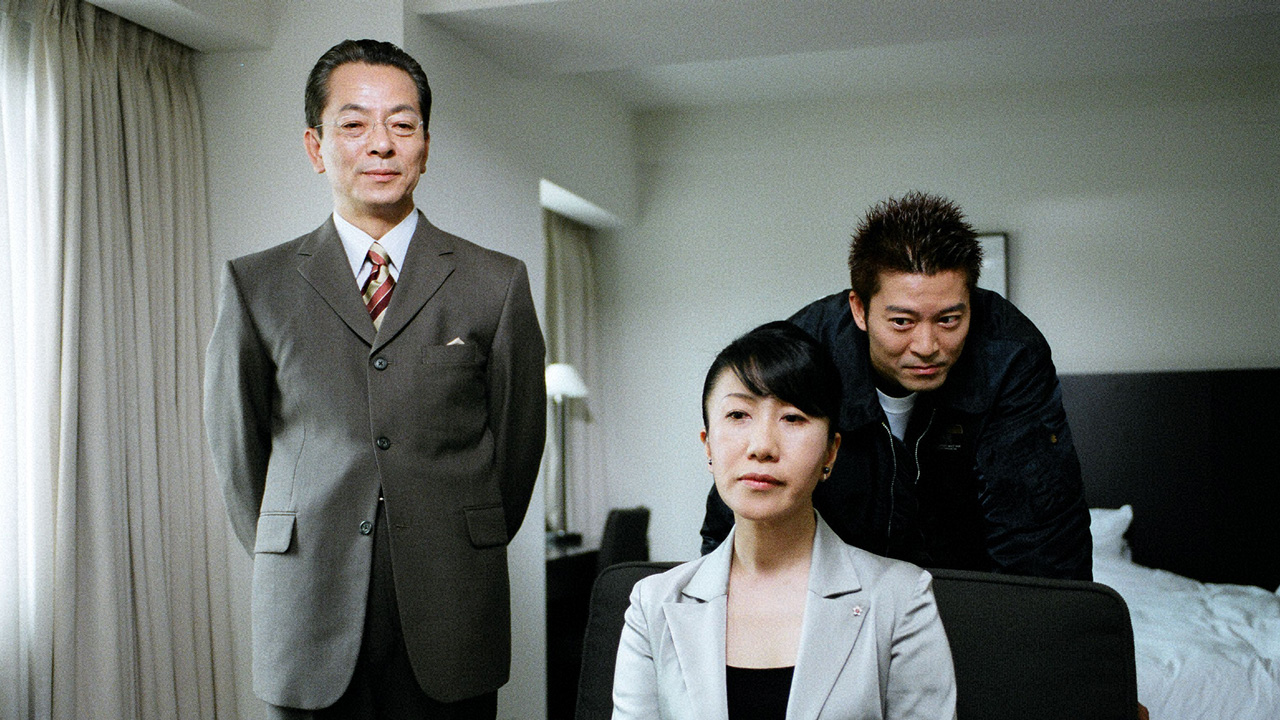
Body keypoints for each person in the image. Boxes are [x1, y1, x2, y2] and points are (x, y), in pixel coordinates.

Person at [203, 39, 545, 719]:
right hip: (307, 609)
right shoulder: (256, 284)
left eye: (402, 124)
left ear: (426, 145)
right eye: (354, 124)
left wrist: (459, 535)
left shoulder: (495, 283)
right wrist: (292, 543)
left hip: (452, 609)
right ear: (316, 147)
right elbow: (238, 451)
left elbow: (517, 447)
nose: (381, 144)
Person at [701, 191, 1092, 581]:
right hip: (831, 590)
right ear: (860, 309)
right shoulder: (804, 355)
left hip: (968, 588)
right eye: (902, 322)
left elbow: (1041, 539)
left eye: (949, 320)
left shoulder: (1009, 356)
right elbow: (743, 514)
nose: (926, 346)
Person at [613, 322, 956, 720]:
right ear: (708, 446)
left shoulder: (901, 599)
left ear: (831, 452)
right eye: (738, 414)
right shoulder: (654, 605)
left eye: (792, 418)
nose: (762, 446)